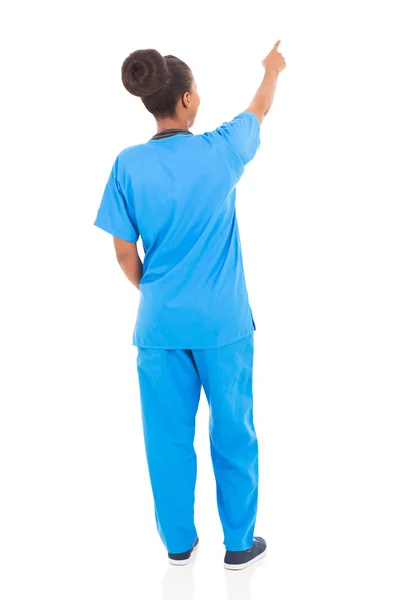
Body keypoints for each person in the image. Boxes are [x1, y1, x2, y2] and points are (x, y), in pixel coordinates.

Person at [93, 41, 286, 570]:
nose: (199, 96)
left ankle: (179, 544)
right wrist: (272, 69)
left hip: (159, 327)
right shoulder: (221, 150)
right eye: (196, 88)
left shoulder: (127, 164)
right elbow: (260, 108)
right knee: (234, 432)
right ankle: (239, 545)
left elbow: (122, 250)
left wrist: (152, 290)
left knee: (166, 438)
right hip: (223, 324)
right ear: (184, 101)